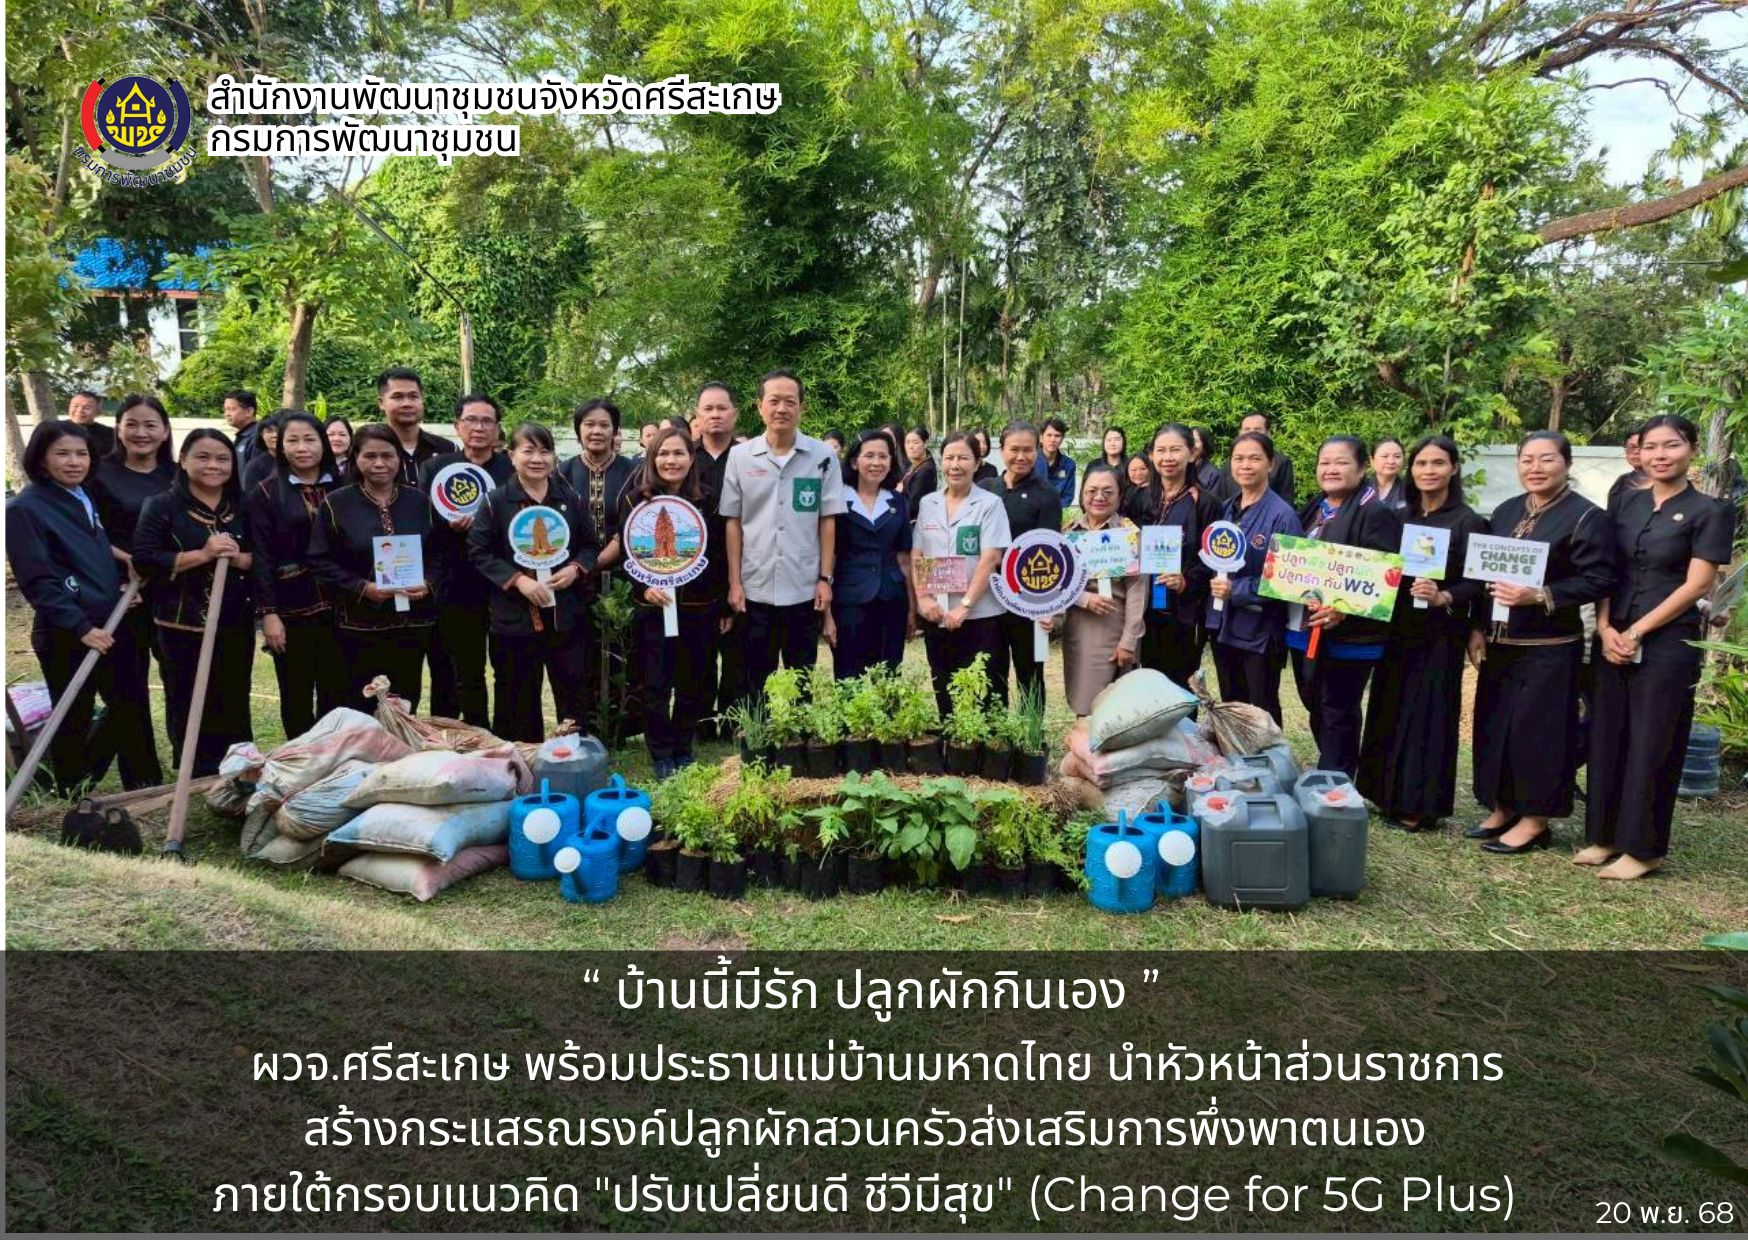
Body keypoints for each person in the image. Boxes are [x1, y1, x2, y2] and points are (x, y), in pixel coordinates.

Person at [1582, 414, 1732, 879]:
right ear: (1638, 452)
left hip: (1667, 641)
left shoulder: (1711, 510)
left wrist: (1637, 631)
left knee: (1653, 741)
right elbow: (1607, 569)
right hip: (1614, 634)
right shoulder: (1625, 503)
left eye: (1671, 446)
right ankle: (1604, 836)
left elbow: (1698, 582)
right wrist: (1605, 627)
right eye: (1651, 447)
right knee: (1608, 735)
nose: (1660, 455)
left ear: (1690, 449)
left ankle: (1644, 850)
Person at [1469, 431, 1618, 855]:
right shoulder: (1505, 511)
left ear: (1566, 464)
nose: (1535, 468)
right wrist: (1479, 626)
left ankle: (1534, 820)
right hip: (1501, 640)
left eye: (1546, 459)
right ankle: (1502, 807)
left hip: (1549, 643)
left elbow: (1601, 578)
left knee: (1539, 732)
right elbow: (1485, 576)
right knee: (1496, 725)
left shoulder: (1586, 517)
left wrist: (1541, 595)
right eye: (1527, 460)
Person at [6, 421, 160, 792]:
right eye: (63, 454)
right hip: (70, 630)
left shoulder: (80, 496)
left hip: (111, 619)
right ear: (41, 459)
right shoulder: (25, 509)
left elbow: (91, 554)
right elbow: (39, 579)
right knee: (72, 714)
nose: (74, 462)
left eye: (82, 453)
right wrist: (81, 627)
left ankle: (140, 782)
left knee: (129, 703)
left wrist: (119, 585)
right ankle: (72, 790)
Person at [1357, 435, 1487, 829]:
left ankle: (1419, 805)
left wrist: (1444, 594)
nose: (1428, 471)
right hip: (1397, 630)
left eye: (1437, 464)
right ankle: (1382, 793)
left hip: (1440, 634)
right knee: (1388, 707)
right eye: (1421, 464)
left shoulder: (1470, 521)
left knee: (1428, 716)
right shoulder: (1399, 518)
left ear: (1454, 469)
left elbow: (1480, 582)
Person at [599, 427, 728, 774]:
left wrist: (723, 603)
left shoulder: (709, 500)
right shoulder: (634, 500)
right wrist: (644, 588)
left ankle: (683, 747)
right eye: (663, 454)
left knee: (693, 682)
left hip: (698, 609)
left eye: (679, 453)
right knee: (655, 683)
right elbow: (628, 555)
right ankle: (660, 752)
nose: (671, 461)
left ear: (691, 458)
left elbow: (719, 555)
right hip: (654, 610)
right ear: (653, 458)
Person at [133, 429, 256, 776]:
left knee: (234, 694)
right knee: (187, 698)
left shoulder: (243, 506)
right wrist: (202, 554)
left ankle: (238, 770)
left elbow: (264, 557)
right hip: (180, 623)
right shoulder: (161, 505)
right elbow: (145, 559)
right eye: (202, 457)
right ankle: (196, 772)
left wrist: (237, 558)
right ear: (183, 461)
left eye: (222, 458)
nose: (213, 465)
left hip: (235, 619)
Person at [467, 423, 600, 742]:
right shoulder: (494, 502)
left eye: (544, 451)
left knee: (573, 689)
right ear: (511, 456)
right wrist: (517, 581)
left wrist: (575, 568)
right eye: (528, 451)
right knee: (517, 694)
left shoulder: (570, 498)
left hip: (566, 614)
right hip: (514, 618)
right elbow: (479, 550)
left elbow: (590, 545)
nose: (537, 458)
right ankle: (522, 758)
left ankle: (573, 756)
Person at [720, 369, 845, 695]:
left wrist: (825, 579)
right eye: (773, 401)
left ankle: (801, 741)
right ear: (759, 406)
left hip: (803, 586)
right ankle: (757, 741)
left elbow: (827, 519)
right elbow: (733, 521)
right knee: (753, 677)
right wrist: (734, 582)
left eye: (790, 402)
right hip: (753, 585)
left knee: (801, 676)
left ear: (801, 408)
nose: (781, 409)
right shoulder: (739, 456)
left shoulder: (823, 456)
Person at [1287, 436, 1404, 777]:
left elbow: (1386, 579)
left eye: (1341, 462)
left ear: (1362, 467)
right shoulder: (1315, 507)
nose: (1331, 469)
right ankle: (1332, 766)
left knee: (1338, 706)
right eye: (1325, 462)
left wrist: (1343, 608)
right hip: (1305, 628)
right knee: (1314, 701)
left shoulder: (1376, 512)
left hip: (1350, 637)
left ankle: (1335, 780)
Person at [308, 424, 437, 711]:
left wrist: (428, 582)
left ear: (399, 459)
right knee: (358, 703)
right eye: (370, 456)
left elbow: (440, 553)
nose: (380, 464)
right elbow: (318, 560)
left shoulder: (420, 501)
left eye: (388, 455)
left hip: (412, 623)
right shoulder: (337, 504)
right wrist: (362, 587)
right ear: (355, 459)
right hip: (358, 624)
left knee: (404, 704)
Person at [244, 411, 349, 740]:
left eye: (310, 439)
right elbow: (261, 556)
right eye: (292, 440)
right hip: (292, 609)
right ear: (279, 446)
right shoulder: (264, 493)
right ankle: (300, 766)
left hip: (344, 607)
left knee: (340, 692)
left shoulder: (346, 487)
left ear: (324, 444)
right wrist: (268, 614)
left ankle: (335, 766)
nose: (302, 447)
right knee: (296, 694)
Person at [90, 394, 176, 779]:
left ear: (165, 431)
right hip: (123, 594)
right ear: (118, 428)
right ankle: (141, 774)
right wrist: (127, 565)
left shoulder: (178, 475)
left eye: (150, 425)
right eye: (132, 424)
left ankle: (192, 764)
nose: (141, 432)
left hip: (175, 593)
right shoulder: (97, 475)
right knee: (127, 687)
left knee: (181, 680)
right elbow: (89, 532)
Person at [417, 394, 513, 727]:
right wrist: (449, 523)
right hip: (454, 582)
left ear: (498, 429)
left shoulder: (511, 469)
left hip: (503, 583)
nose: (479, 427)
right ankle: (470, 734)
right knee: (462, 669)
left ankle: (504, 737)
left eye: (487, 421)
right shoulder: (436, 468)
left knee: (507, 667)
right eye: (471, 419)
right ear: (457, 425)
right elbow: (424, 520)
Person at [1205, 431, 1301, 725]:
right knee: (1231, 708)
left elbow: (1289, 581)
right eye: (1238, 458)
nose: (1245, 465)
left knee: (1261, 711)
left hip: (1259, 633)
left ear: (1270, 464)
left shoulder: (1282, 516)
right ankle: (1238, 767)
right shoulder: (1225, 509)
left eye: (1254, 458)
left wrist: (1238, 589)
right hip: (1223, 627)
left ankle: (1269, 768)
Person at [912, 431, 1011, 718]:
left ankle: (981, 755)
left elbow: (990, 558)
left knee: (982, 685)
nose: (955, 464)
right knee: (943, 681)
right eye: (949, 457)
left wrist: (964, 606)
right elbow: (918, 554)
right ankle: (950, 747)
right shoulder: (927, 503)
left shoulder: (990, 504)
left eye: (963, 458)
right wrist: (923, 598)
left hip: (979, 614)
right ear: (940, 462)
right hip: (937, 613)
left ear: (977, 463)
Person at [1124, 423, 1223, 689]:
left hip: (1184, 612)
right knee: (1147, 681)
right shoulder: (1140, 497)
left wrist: (1186, 581)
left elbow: (1215, 559)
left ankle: (1186, 731)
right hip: (1144, 606)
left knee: (1181, 683)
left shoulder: (1206, 503)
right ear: (1152, 456)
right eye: (1161, 450)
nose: (1167, 457)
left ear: (1192, 454)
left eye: (1175, 450)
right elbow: (1125, 541)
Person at [560, 397, 636, 734]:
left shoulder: (633, 472)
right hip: (573, 577)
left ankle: (620, 726)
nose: (596, 431)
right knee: (579, 653)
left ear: (615, 431)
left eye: (604, 424)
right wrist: (582, 564)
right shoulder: (561, 473)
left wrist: (604, 557)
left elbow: (635, 520)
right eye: (589, 424)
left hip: (622, 575)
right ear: (578, 430)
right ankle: (582, 725)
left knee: (620, 648)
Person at [978, 421, 1064, 704]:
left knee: (1031, 673)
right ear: (1001, 450)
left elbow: (1050, 553)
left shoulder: (1047, 495)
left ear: (1038, 451)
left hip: (1029, 600)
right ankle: (997, 742)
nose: (1021, 456)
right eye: (1014, 449)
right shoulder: (985, 489)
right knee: (991, 672)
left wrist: (1047, 605)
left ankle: (1031, 741)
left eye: (1028, 450)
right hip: (988, 598)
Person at [1055, 464, 1145, 717]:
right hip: (1079, 626)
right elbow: (1059, 582)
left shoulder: (1128, 534)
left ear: (1120, 496)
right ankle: (1085, 748)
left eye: (1108, 492)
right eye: (1091, 490)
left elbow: (1138, 591)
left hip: (1115, 627)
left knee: (1112, 706)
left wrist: (1129, 640)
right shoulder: (1070, 533)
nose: (1098, 497)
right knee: (1081, 698)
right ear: (1082, 494)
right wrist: (1083, 599)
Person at [826, 430, 916, 680]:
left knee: (888, 678)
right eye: (869, 456)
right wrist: (826, 613)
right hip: (849, 601)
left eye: (883, 456)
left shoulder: (897, 500)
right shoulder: (837, 498)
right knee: (848, 677)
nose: (877, 462)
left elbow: (904, 558)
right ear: (854, 461)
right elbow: (829, 556)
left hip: (892, 600)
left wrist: (911, 608)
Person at [690, 382, 743, 732]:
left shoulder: (750, 457)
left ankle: (733, 720)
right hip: (694, 576)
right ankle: (699, 720)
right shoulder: (684, 457)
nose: (715, 415)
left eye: (721, 408)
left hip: (742, 569)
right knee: (698, 655)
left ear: (735, 414)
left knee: (739, 654)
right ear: (697, 415)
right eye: (707, 409)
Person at [1229, 412, 1294, 505]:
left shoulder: (1281, 462)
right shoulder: (1231, 463)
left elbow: (1286, 498)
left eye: (1257, 430)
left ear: (1268, 433)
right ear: (1240, 433)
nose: (1251, 433)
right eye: (1247, 429)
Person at [898, 426, 938, 521]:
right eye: (907, 442)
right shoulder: (915, 465)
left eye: (915, 442)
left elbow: (914, 505)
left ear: (926, 443)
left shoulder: (925, 471)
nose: (911, 447)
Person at [1035, 416, 1077, 507]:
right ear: (1041, 438)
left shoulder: (1068, 465)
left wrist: (1053, 511)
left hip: (1058, 512)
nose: (1053, 440)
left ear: (1062, 439)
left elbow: (1068, 496)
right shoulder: (1031, 461)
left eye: (1057, 436)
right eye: (1049, 435)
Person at [1190, 426, 1237, 506]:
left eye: (1196, 441)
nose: (1191, 445)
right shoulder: (1181, 470)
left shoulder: (1213, 474)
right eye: (1189, 441)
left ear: (1204, 445)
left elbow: (1213, 504)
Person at [240, 412, 284, 491]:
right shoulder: (255, 467)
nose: (275, 435)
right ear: (261, 435)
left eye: (279, 430)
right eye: (269, 431)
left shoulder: (299, 461)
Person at [65, 389, 114, 458]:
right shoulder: (55, 429)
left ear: (98, 412)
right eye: (75, 406)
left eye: (87, 408)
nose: (80, 411)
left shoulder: (109, 434)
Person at [1606, 426, 1647, 507]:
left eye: (1641, 447)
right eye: (1632, 447)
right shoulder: (1622, 482)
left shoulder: (1663, 481)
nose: (1636, 452)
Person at [1368, 437, 1409, 513]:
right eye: (1385, 456)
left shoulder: (1410, 491)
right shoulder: (1359, 489)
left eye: (1397, 456)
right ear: (1372, 460)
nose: (1391, 461)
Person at [223, 389, 260, 464]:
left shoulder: (257, 438)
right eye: (225, 410)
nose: (227, 414)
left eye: (231, 409)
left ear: (249, 411)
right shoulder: (243, 436)